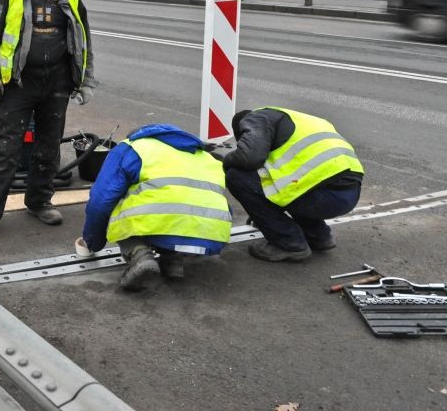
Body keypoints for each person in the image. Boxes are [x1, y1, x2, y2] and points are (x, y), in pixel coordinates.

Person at [0, 0, 96, 243]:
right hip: (18, 84)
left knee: (48, 148)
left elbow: (84, 39)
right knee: (5, 150)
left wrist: (86, 80)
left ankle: (39, 200)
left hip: (57, 82)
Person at [80, 124, 232, 291]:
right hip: (213, 233)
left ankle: (140, 255)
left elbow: (100, 201)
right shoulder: (206, 157)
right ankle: (173, 260)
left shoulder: (133, 147)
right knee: (177, 201)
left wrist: (93, 242)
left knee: (117, 200)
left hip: (163, 222)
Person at [218, 107, 364, 262]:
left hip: (322, 197)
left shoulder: (255, 119)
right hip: (350, 193)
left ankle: (289, 243)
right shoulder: (296, 119)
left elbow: (249, 158)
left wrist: (226, 162)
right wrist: (264, 216)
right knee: (291, 183)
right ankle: (318, 236)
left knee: (237, 176)